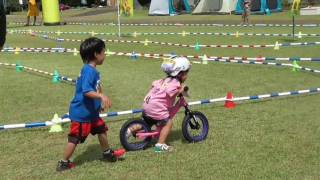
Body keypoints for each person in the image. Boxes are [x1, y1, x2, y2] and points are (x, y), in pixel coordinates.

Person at [56, 37, 125, 172]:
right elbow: (87, 91)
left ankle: (107, 153)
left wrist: (99, 102)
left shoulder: (92, 70)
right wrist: (101, 96)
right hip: (82, 114)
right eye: (103, 52)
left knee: (101, 129)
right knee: (75, 138)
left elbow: (96, 87)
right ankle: (63, 162)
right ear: (96, 54)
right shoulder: (88, 70)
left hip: (91, 112)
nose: (105, 55)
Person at [128, 56, 191, 152]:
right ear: (180, 73)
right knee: (168, 123)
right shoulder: (175, 83)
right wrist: (181, 90)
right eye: (186, 73)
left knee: (146, 122)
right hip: (156, 107)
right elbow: (171, 91)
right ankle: (160, 145)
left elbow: (153, 84)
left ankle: (128, 131)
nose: (187, 76)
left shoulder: (165, 79)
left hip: (148, 103)